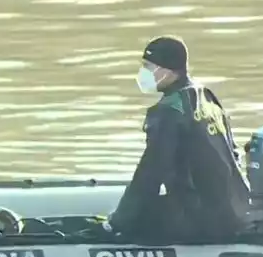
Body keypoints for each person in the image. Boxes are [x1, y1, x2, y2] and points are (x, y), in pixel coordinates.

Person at [104, 35, 252, 243]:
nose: (143, 73)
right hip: (235, 211)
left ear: (167, 69)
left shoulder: (169, 111)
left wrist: (119, 222)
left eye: (148, 66)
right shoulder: (206, 97)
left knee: (137, 220)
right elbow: (233, 153)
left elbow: (150, 174)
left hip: (200, 220)